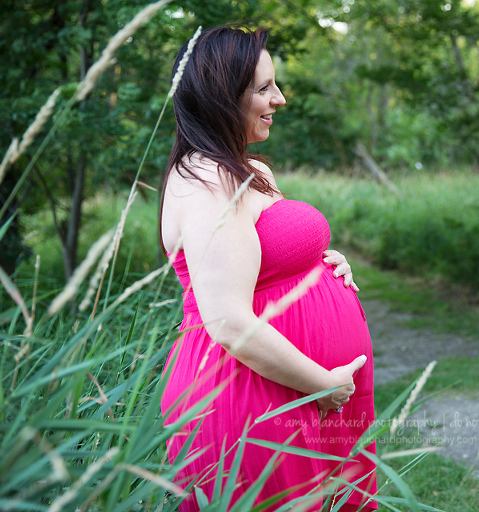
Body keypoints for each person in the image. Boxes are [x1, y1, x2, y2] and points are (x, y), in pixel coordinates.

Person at [158, 25, 378, 512]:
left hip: (305, 393)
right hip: (254, 397)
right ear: (220, 97)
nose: (279, 99)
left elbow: (266, 257)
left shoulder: (249, 170)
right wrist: (323, 386)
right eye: (263, 88)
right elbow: (227, 320)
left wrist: (319, 263)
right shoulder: (208, 179)